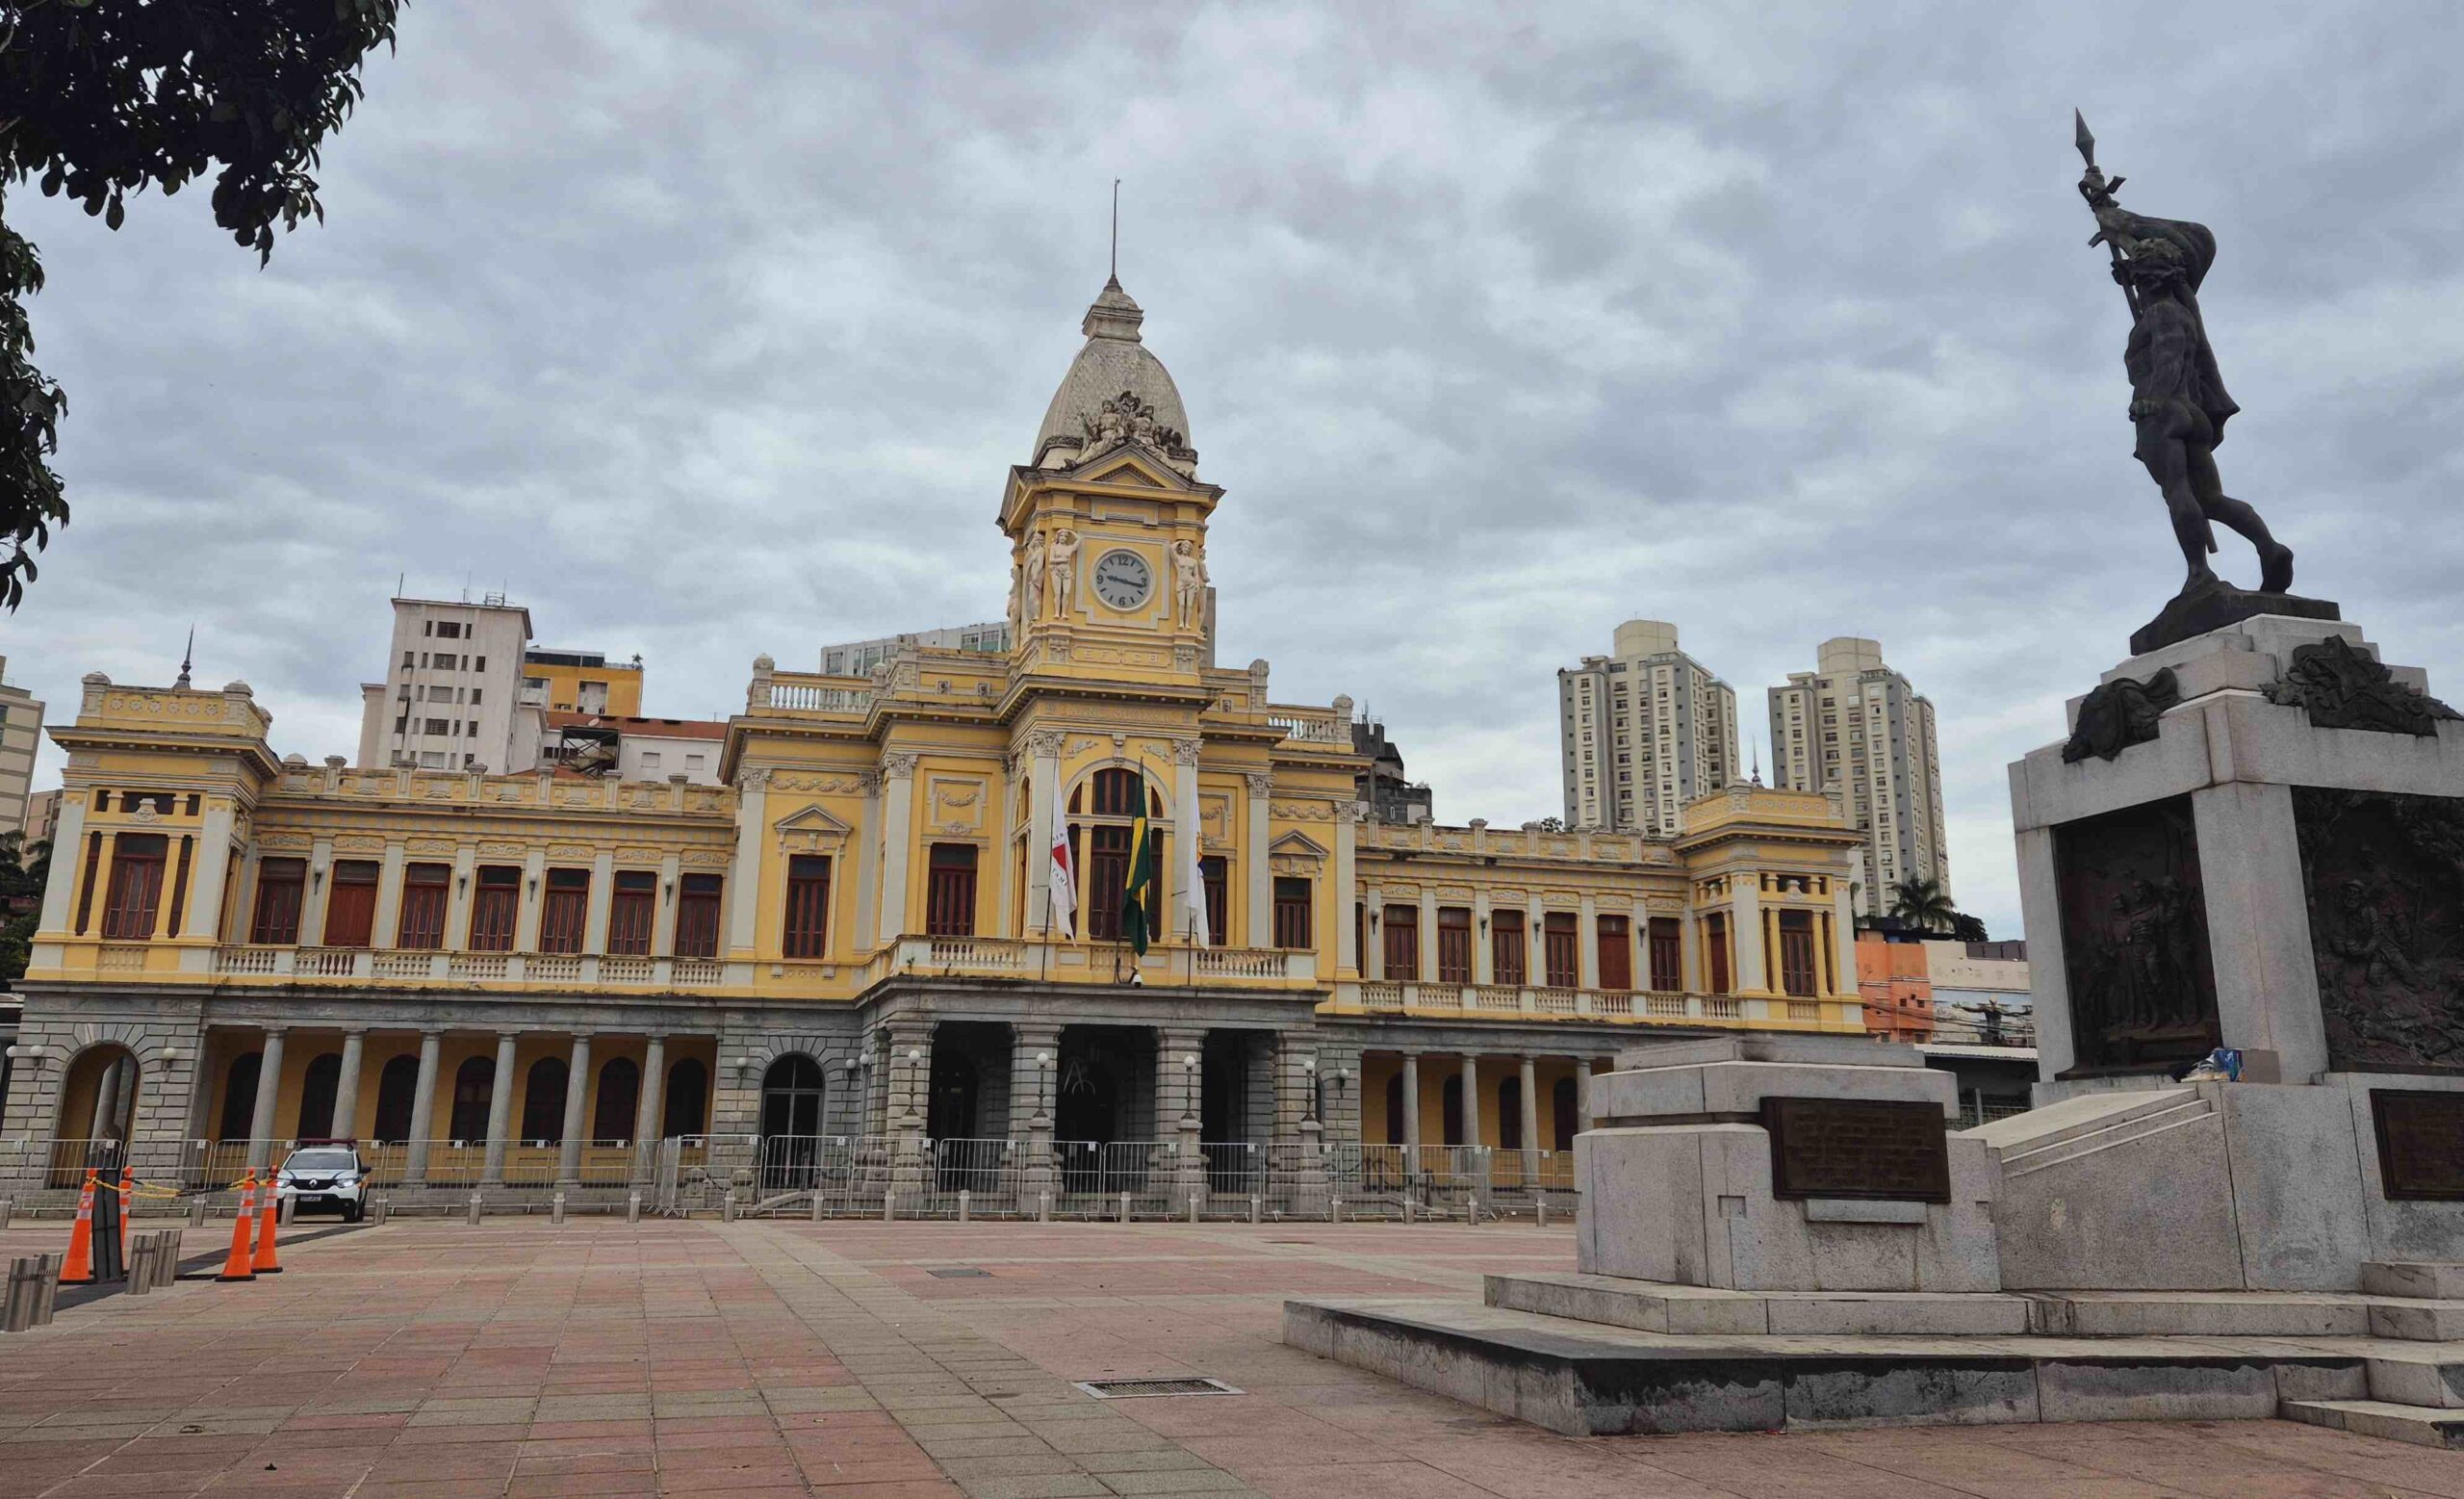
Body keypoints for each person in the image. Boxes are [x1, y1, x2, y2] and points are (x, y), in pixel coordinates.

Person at [2083, 169, 2294, 596]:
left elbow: (2168, 355)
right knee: (2212, 499)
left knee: (2177, 491)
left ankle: (2199, 572)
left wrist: (2153, 399)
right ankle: (2269, 546)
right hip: (2192, 414)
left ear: (2145, 277)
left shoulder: (2161, 316)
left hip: (2165, 411)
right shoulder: (2176, 308)